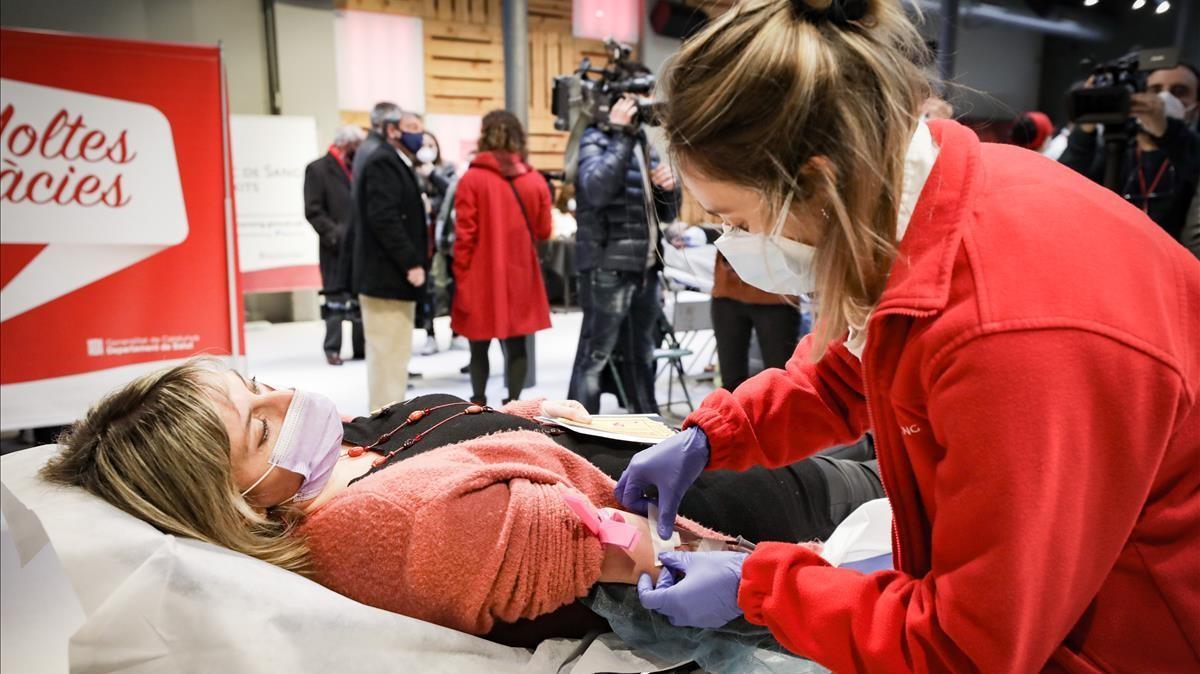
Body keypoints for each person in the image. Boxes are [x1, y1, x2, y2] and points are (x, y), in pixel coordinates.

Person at [611, 0, 1200, 672]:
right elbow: (846, 369)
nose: (736, 243)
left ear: (818, 182)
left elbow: (966, 647)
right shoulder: (919, 206)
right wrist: (715, 434)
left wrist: (761, 589)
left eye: (736, 218)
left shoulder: (1011, 335)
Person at [39, 356, 885, 648]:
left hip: (708, 449)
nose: (288, 402)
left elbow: (462, 434)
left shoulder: (352, 443)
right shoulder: (393, 526)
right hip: (777, 511)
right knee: (897, 466)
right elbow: (639, 552)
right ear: (231, 507)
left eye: (259, 386)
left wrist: (531, 422)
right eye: (259, 433)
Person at [570, 88, 682, 414]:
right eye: (640, 98)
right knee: (594, 356)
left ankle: (646, 426)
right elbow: (595, 190)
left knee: (642, 354)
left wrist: (670, 189)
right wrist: (619, 134)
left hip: (644, 268)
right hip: (608, 266)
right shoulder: (596, 137)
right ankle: (577, 435)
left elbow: (667, 215)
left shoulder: (641, 142)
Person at [452, 111, 553, 405]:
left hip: (479, 275)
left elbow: (465, 235)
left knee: (478, 347)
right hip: (521, 274)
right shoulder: (534, 180)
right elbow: (544, 230)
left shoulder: (471, 179)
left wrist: (460, 275)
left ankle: (478, 403)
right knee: (518, 344)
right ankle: (514, 403)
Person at [1059, 63, 1200, 244]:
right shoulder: (1116, 150)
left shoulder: (1190, 152)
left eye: (1179, 91)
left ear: (1196, 107)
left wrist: (1167, 131)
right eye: (1155, 89)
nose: (1163, 99)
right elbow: (1065, 186)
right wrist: (1086, 125)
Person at [347, 104, 429, 410]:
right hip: (386, 278)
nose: (418, 134)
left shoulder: (395, 161)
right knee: (387, 362)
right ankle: (385, 433)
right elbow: (385, 218)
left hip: (390, 279)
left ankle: (389, 426)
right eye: (411, 127)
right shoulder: (383, 162)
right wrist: (411, 262)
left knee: (394, 359)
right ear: (392, 130)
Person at [304, 125, 366, 366]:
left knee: (359, 297)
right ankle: (332, 348)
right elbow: (313, 210)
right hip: (334, 247)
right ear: (345, 145)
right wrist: (334, 234)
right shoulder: (317, 169)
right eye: (356, 147)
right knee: (334, 298)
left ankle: (361, 347)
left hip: (359, 246)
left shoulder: (358, 169)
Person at [414, 130, 457, 357]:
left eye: (432, 144)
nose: (427, 149)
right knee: (428, 289)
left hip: (445, 238)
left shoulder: (446, 169)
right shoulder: (410, 171)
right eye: (423, 145)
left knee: (448, 286)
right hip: (422, 239)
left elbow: (452, 193)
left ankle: (456, 332)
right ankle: (429, 333)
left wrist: (432, 176)